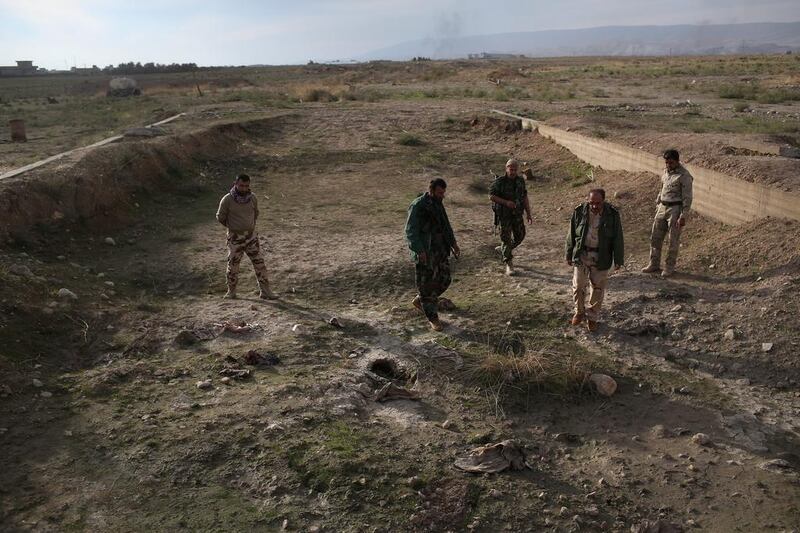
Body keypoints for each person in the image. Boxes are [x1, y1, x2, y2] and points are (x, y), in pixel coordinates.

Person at [404, 178, 460, 331]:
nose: (442, 195)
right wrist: (419, 250)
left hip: (440, 250)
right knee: (426, 286)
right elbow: (410, 231)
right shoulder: (418, 206)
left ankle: (421, 300)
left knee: (445, 279)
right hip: (425, 252)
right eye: (440, 192)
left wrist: (453, 243)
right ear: (431, 191)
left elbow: (445, 225)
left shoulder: (438, 204)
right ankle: (433, 318)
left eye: (444, 193)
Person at [565, 188, 624, 332]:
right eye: (591, 203)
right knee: (578, 286)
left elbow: (618, 238)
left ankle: (592, 317)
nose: (594, 206)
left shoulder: (612, 215)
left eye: (598, 203)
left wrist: (618, 259)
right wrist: (569, 254)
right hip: (582, 255)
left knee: (597, 289)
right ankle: (579, 312)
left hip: (601, 257)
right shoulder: (580, 212)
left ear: (603, 201)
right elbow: (571, 233)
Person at [215, 174, 275, 300]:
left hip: (251, 237)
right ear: (235, 184)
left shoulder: (252, 198)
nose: (243, 188)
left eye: (246, 186)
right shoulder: (227, 200)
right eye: (241, 185)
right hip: (235, 238)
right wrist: (234, 227)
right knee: (233, 265)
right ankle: (231, 292)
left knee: (259, 263)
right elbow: (220, 217)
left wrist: (248, 226)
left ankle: (266, 291)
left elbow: (256, 213)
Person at [642, 149, 694, 278]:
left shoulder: (684, 176)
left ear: (677, 161)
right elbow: (662, 187)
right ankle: (654, 263)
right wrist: (658, 201)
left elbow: (687, 197)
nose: (668, 165)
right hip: (662, 207)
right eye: (666, 162)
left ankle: (669, 267)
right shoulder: (665, 172)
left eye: (671, 162)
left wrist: (683, 215)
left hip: (675, 209)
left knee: (672, 240)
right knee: (655, 237)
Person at [489, 158, 532, 276]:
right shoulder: (500, 182)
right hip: (504, 216)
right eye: (510, 169)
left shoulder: (520, 181)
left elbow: (524, 197)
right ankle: (509, 263)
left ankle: (504, 249)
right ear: (506, 169)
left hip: (517, 214)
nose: (512, 171)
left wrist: (528, 213)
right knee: (506, 238)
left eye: (514, 169)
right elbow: (491, 196)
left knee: (520, 235)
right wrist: (506, 202)